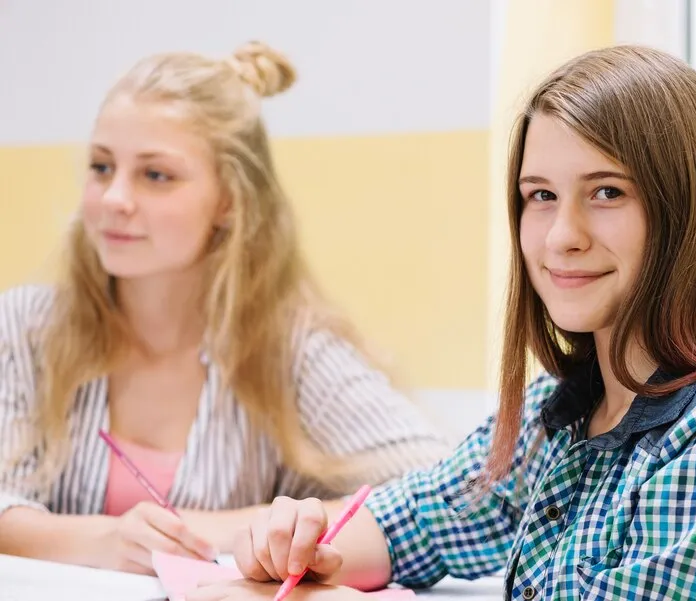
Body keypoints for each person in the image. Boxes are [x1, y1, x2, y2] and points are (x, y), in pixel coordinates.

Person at [188, 45, 696, 601]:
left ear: (686, 211)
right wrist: (303, 544)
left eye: (607, 192)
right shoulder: (552, 416)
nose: (562, 235)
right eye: (541, 196)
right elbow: (407, 524)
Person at [0, 41, 447, 575]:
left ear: (230, 200)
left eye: (155, 175)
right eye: (101, 167)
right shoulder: (26, 326)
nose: (114, 198)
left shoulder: (291, 351)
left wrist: (232, 528)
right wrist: (100, 541)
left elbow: (445, 493)